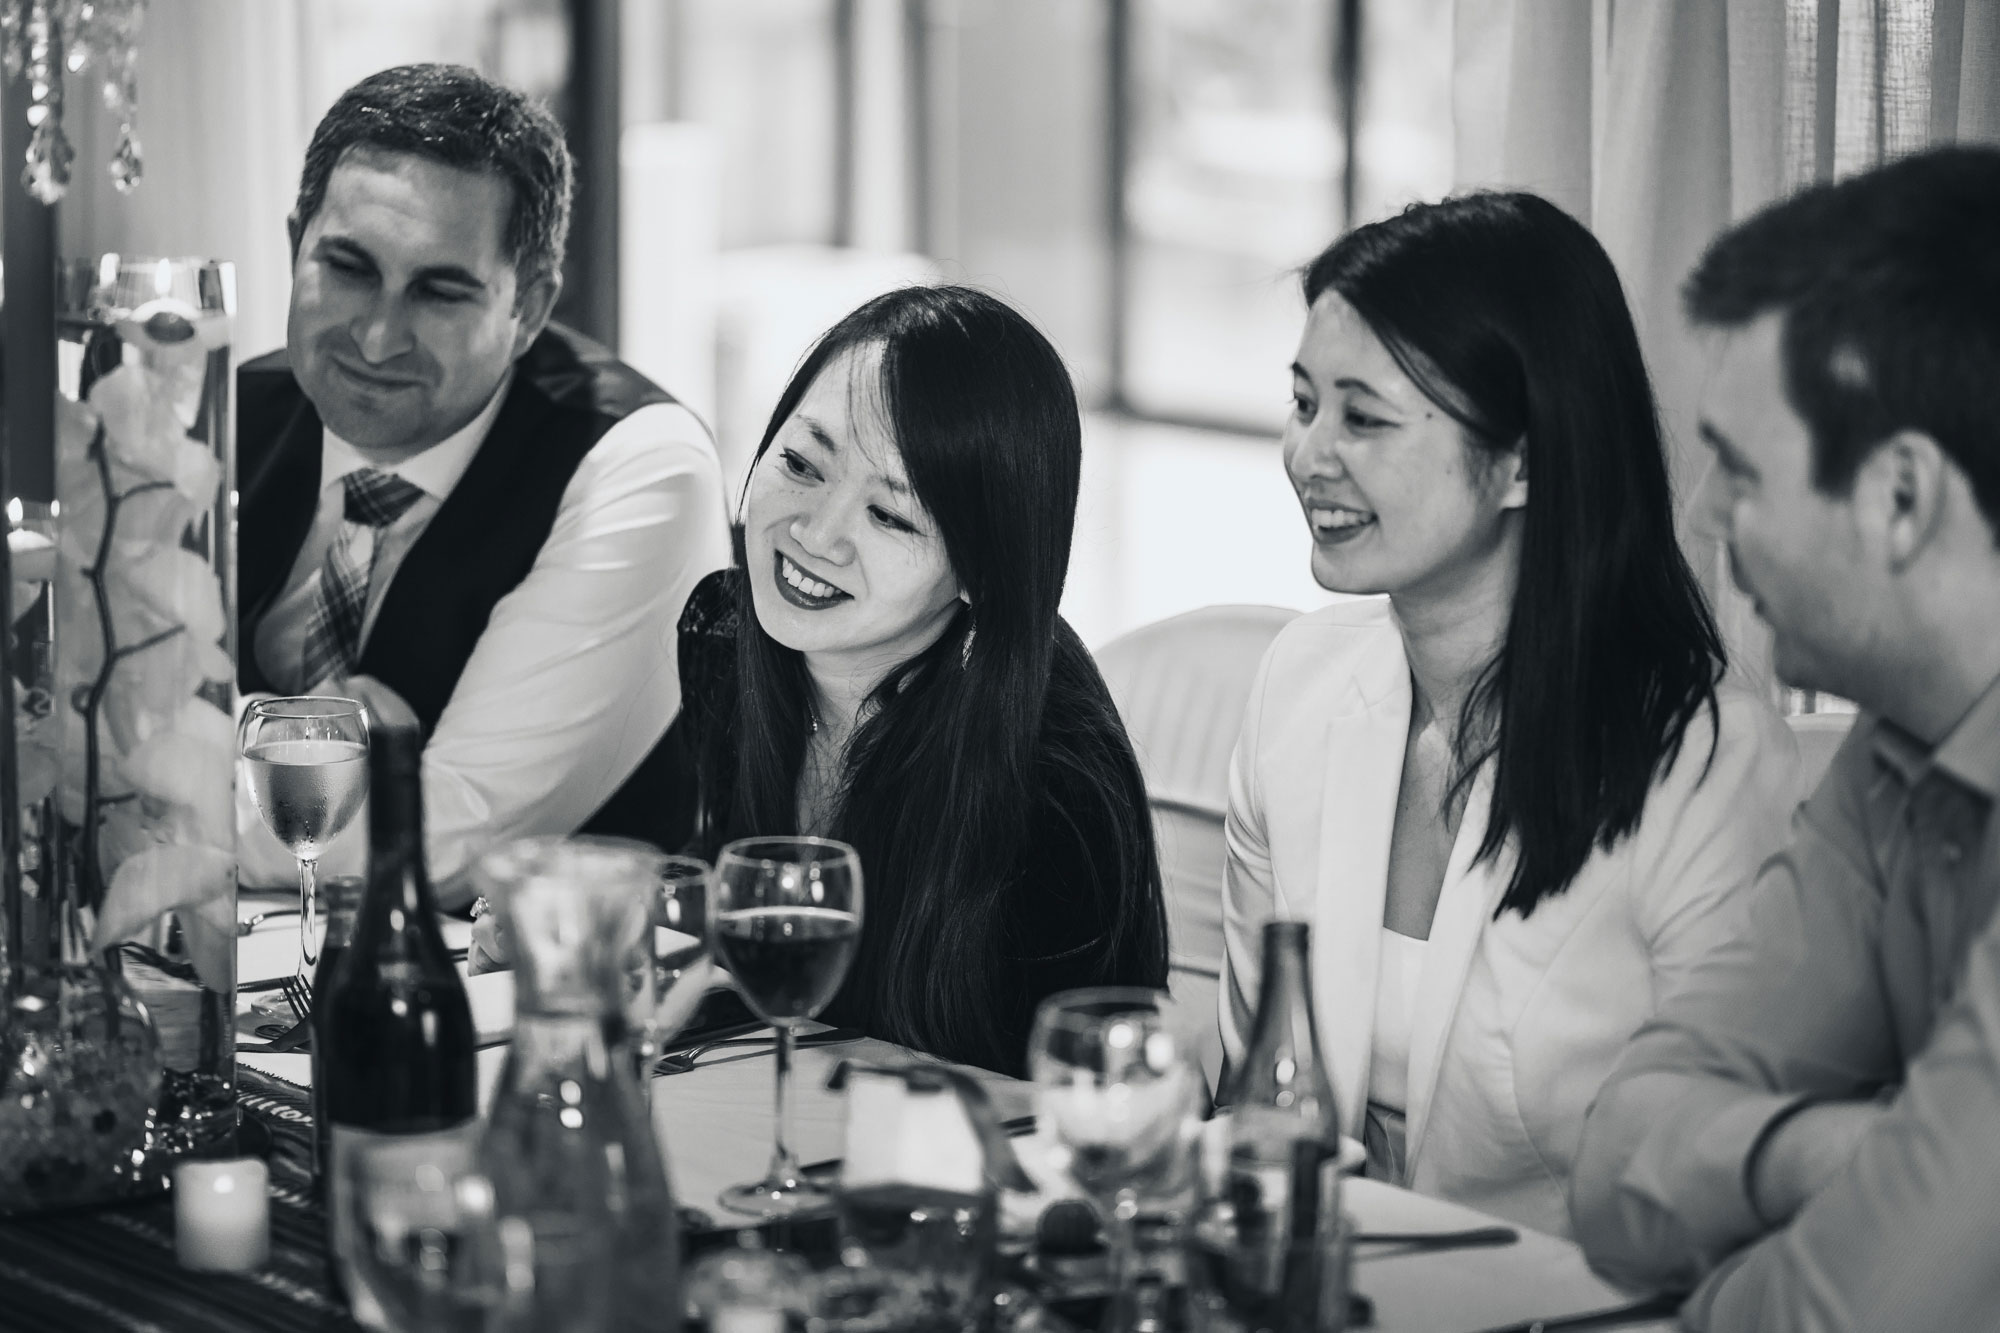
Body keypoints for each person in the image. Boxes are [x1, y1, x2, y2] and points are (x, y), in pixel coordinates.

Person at [1219, 193, 1800, 1238]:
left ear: (1523, 457)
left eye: (1363, 417)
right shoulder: (1297, 683)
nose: (1308, 455)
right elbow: (1254, 1097)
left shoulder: (1701, 760)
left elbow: (1721, 1184)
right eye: (1303, 404)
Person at [1569, 147, 2000, 1330]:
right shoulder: (1893, 754)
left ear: (1899, 498)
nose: (1702, 516)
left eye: (1743, 473)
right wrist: (1827, 1156)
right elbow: (1613, 1169)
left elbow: (1843, 1316)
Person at [236, 64, 727, 896]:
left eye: (439, 291)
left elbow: (450, 830)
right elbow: (87, 710)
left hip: (551, 1003)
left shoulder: (640, 464)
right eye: (349, 268)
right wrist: (299, 739)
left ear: (529, 308)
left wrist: (192, 757)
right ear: (296, 249)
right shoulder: (224, 409)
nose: (379, 336)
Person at [677, 284, 1169, 1076]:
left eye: (892, 516)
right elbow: (732, 952)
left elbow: (1085, 1100)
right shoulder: (726, 638)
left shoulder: (1054, 780)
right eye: (801, 463)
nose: (815, 532)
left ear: (983, 568)